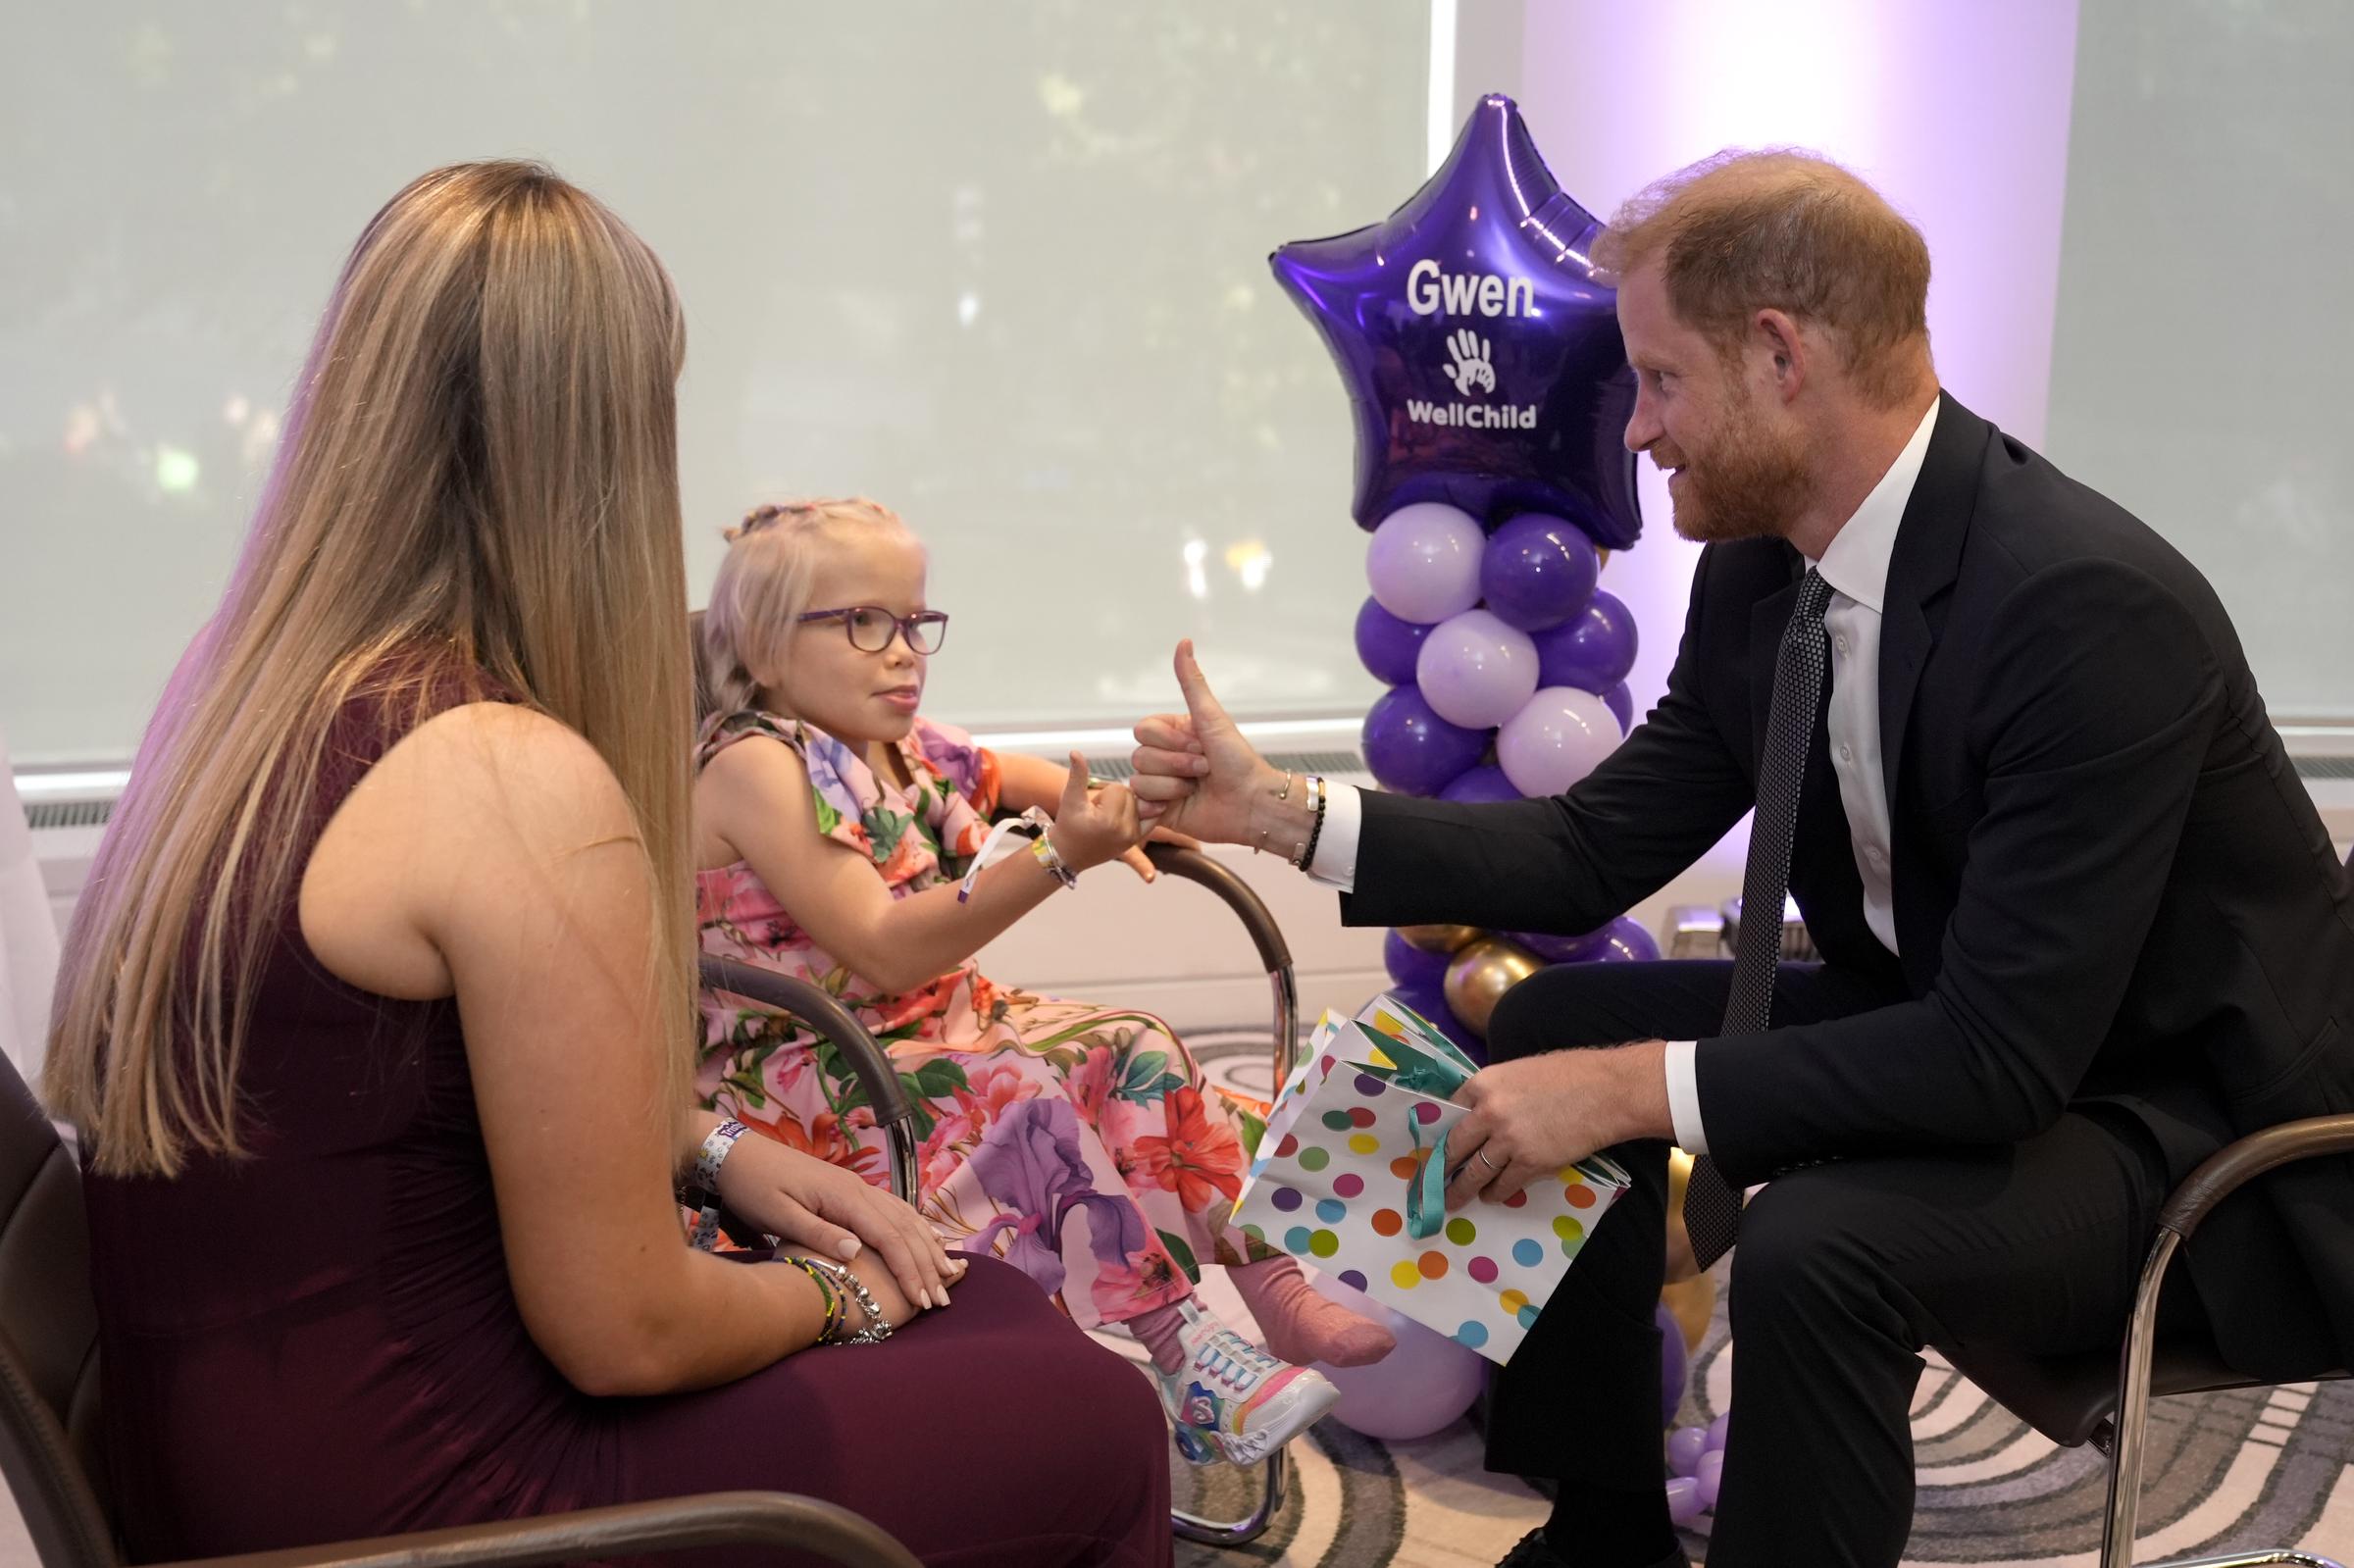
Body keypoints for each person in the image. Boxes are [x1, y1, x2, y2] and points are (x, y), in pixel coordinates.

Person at [1128, 149, 2354, 1568]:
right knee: (1555, 1014)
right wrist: (1282, 812)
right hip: (1981, 1030)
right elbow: (1595, 846)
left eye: (1657, 378)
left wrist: (1627, 1090)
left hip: (2179, 1115)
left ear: (1780, 354)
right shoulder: (1768, 571)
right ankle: (1605, 1528)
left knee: (1817, 1242)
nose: (1637, 429)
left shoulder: (2085, 606)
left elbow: (2003, 1059)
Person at [42, 161, 1171, 1567]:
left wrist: (712, 1147)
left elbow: (410, 1118)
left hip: (226, 1457)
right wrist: (846, 1295)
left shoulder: (235, 694)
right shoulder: (504, 774)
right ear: (595, 449)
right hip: (419, 1496)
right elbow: (627, 1325)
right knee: (1089, 1409)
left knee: (997, 1315)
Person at [690, 496, 1393, 1464]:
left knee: (1133, 1046)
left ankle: (1272, 1289)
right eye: (865, 623)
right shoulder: (755, 767)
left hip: (926, 1026)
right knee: (1021, 1091)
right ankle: (1180, 1347)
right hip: (806, 1072)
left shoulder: (898, 746)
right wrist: (1064, 855)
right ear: (767, 650)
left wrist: (1146, 805)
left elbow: (1016, 778)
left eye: (914, 621)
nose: (904, 652)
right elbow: (886, 947)